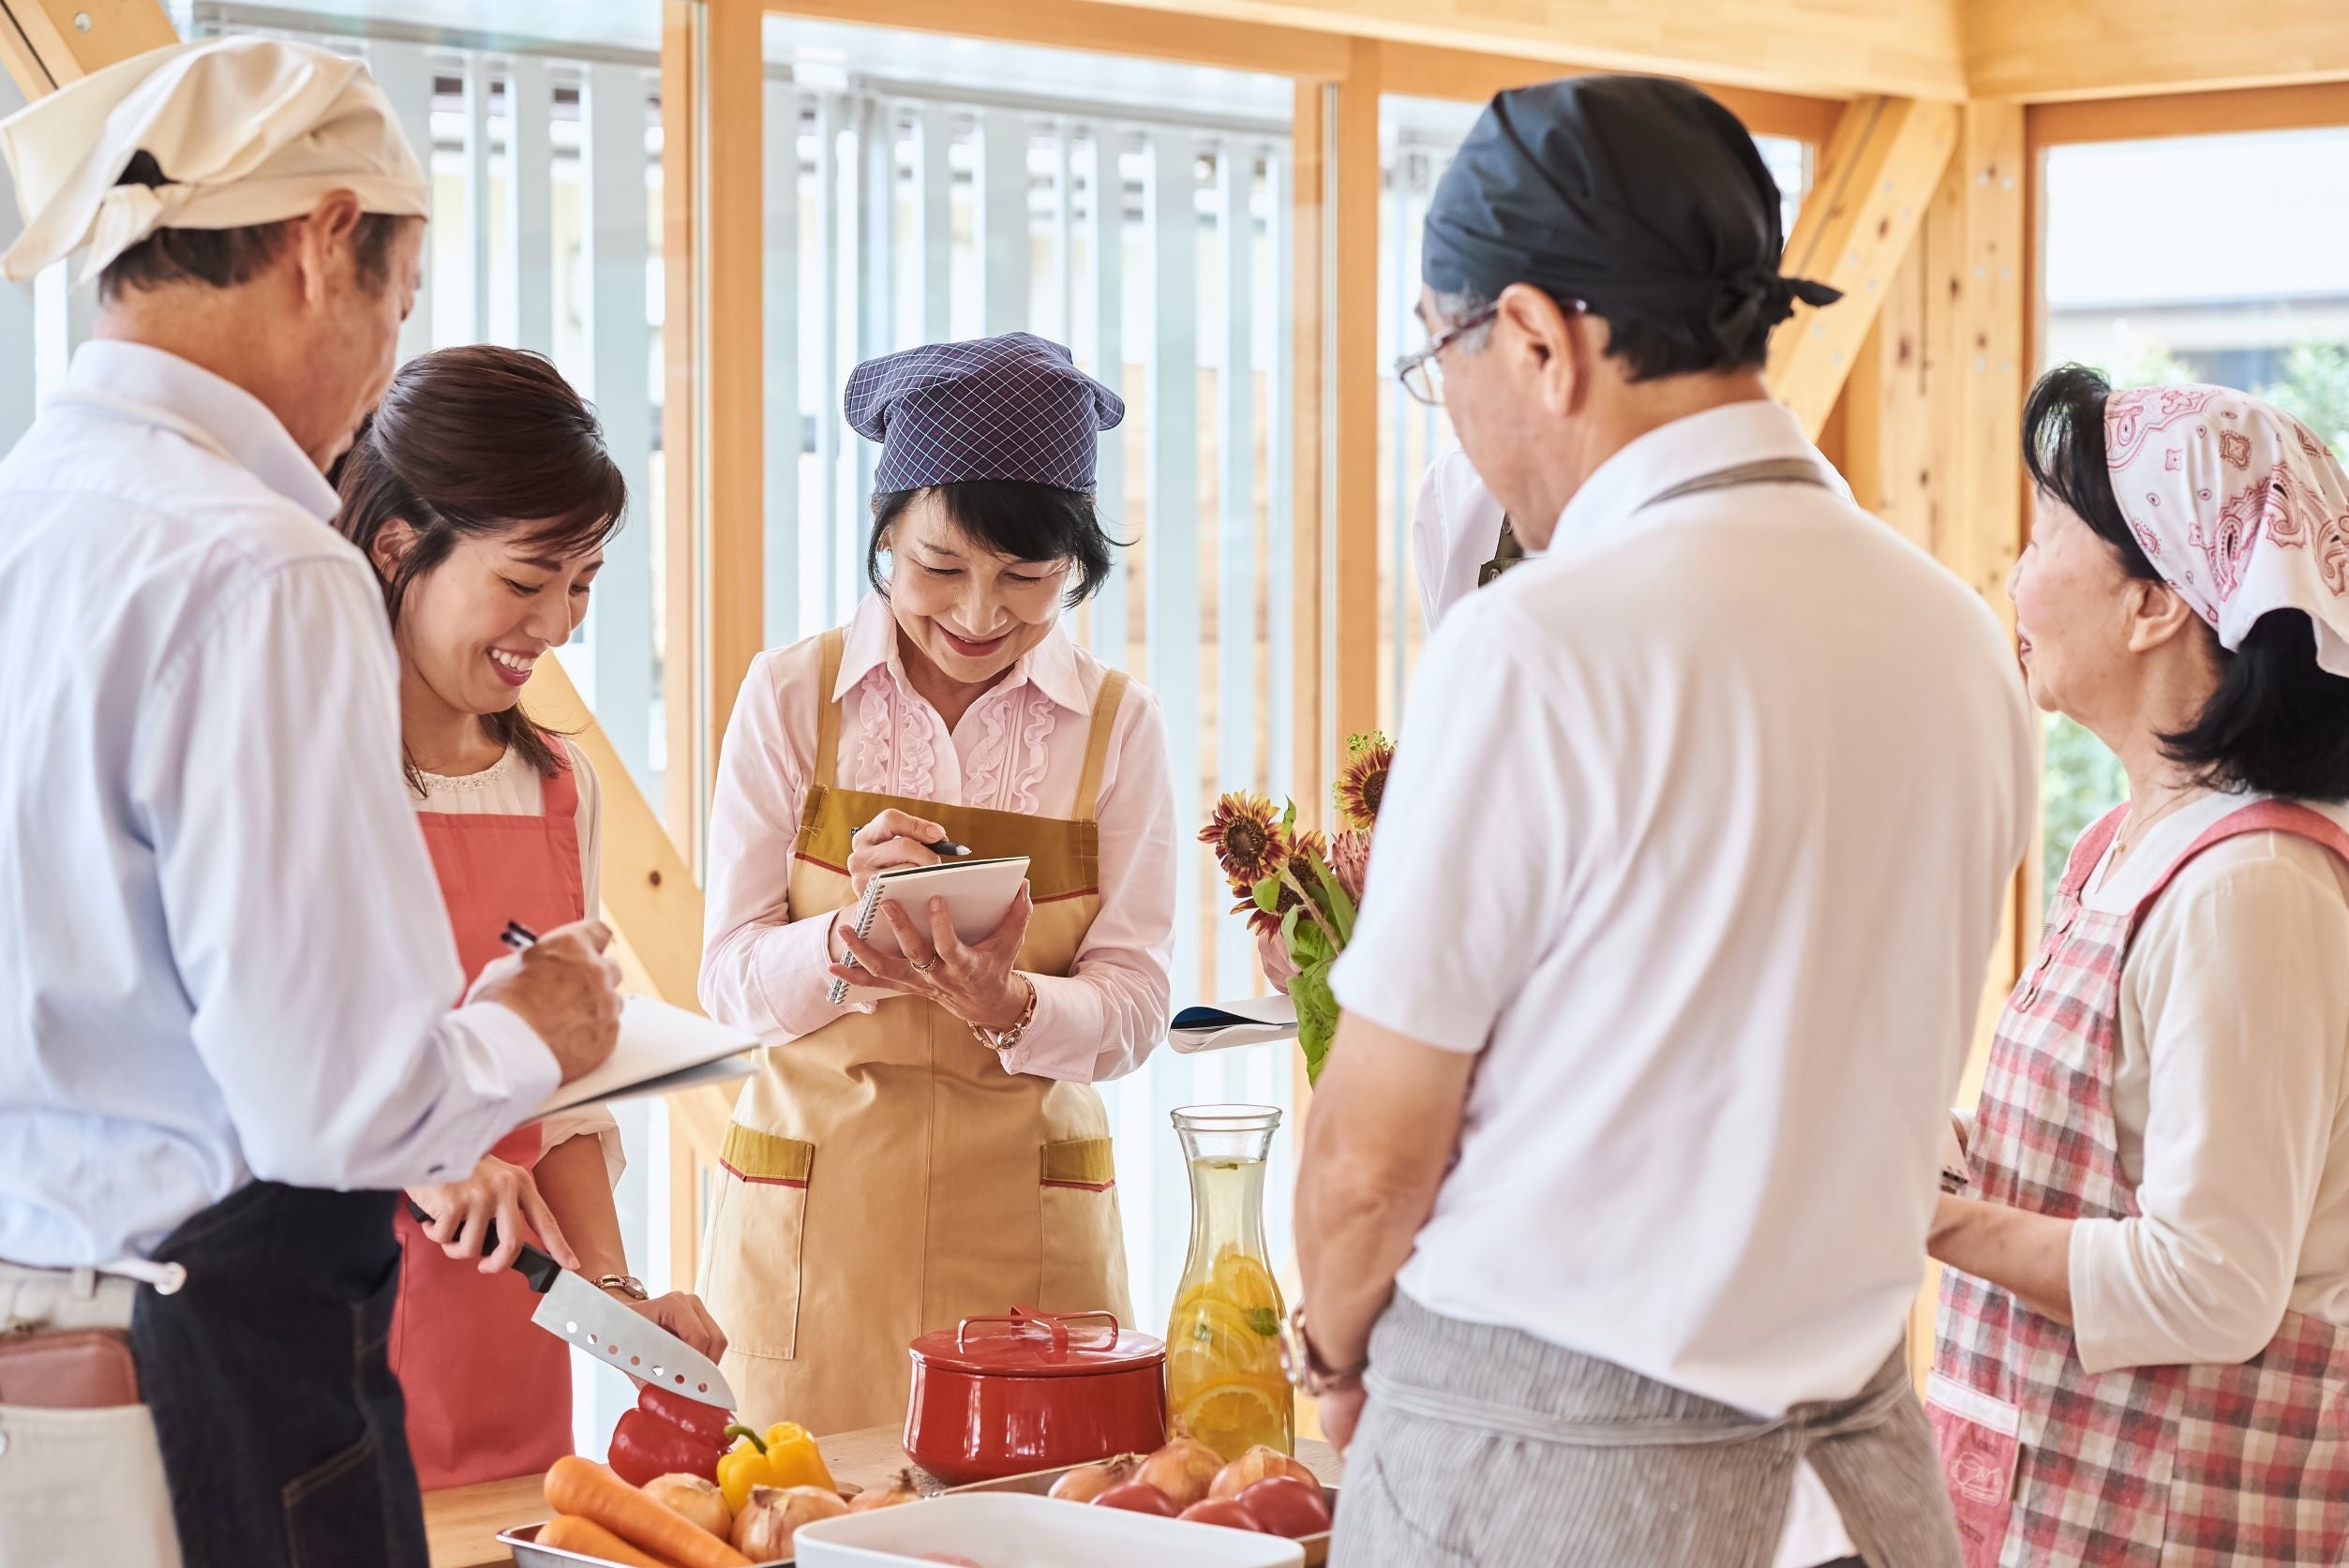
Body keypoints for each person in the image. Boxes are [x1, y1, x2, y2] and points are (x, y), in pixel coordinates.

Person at [1287, 75, 2036, 1568]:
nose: (1454, 409)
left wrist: (1330, 1356)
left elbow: (1372, 1157)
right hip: (1863, 1492)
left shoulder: (1536, 647)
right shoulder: (1955, 635)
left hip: (1555, 1489)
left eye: (1437, 355)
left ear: (1534, 340)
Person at [0, 39, 621, 1568]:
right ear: (325, 242)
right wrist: (538, 1019)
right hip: (197, 1386)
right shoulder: (262, 563)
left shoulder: (28, 510)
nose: (370, 383)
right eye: (397, 306)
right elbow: (335, 1097)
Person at [697, 331, 1178, 1434]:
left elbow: (1136, 1006)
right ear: (883, 533)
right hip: (819, 1225)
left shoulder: (1119, 727)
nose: (977, 614)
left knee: (1034, 1528)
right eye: (939, 567)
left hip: (1028, 1234)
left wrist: (1010, 1005)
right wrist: (840, 945)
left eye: (1027, 576)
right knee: (797, 1524)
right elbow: (724, 979)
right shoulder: (791, 695)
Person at [1926, 370, 2349, 1566]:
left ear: (2156, 599)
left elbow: (2212, 1282)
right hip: (2063, 1496)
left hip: (2184, 1524)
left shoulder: (2249, 887)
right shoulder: (2126, 845)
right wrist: (1946, 1148)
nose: (2013, 574)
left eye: (2046, 530)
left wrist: (1933, 1219)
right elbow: (2111, 1166)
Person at [329, 344, 726, 1489]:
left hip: (510, 1323)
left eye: (585, 580)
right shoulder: (309, 776)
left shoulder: (558, 785)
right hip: (330, 1320)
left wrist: (616, 1291)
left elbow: (563, 1101)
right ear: (399, 547)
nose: (557, 622)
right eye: (526, 579)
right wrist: (429, 1151)